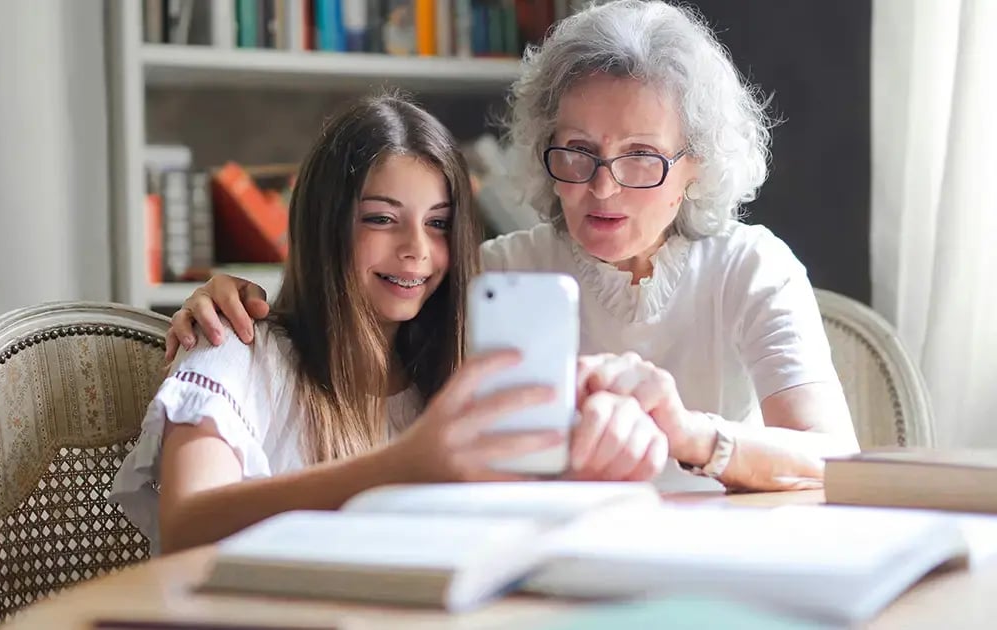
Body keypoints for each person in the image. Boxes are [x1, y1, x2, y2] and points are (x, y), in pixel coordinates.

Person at [163, 1, 861, 493]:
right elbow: (354, 329)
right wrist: (233, 298)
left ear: (696, 165)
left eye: (642, 158)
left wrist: (689, 434)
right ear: (541, 146)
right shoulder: (494, 274)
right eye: (578, 152)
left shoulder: (751, 266)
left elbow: (835, 460)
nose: (603, 189)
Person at [109, 94, 668, 555]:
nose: (417, 252)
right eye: (381, 219)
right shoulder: (236, 347)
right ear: (325, 224)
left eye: (439, 224)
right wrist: (402, 466)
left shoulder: (452, 377)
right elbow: (186, 526)